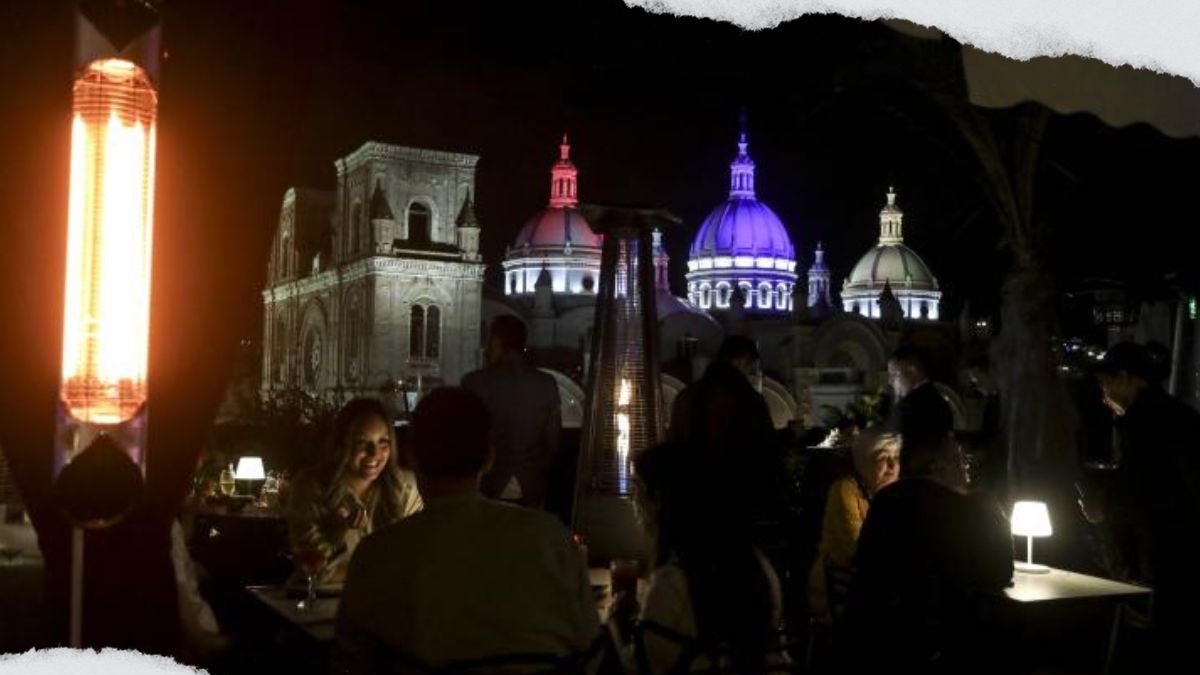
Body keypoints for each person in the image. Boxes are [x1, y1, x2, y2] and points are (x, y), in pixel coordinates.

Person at [335, 387, 599, 674]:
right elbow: (590, 649)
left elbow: (350, 658)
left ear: (410, 456)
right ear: (489, 458)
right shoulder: (552, 539)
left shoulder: (377, 555)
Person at [607, 442, 787, 674]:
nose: (632, 500)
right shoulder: (757, 564)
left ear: (659, 499)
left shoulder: (673, 582)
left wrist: (615, 624)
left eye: (637, 487)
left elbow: (642, 665)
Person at [846, 428, 1013, 673]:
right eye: (958, 458)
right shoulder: (976, 507)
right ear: (937, 465)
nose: (966, 466)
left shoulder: (885, 500)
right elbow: (1000, 571)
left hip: (873, 640)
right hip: (948, 643)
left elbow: (863, 565)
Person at [1089, 341, 1200, 666]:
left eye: (1106, 383)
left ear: (1125, 378)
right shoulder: (1176, 415)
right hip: (1179, 546)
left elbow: (1142, 488)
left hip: (1169, 548)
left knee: (1166, 638)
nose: (1104, 394)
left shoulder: (1146, 422)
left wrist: (1102, 506)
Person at [285, 398, 422, 585]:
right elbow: (314, 573)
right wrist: (338, 533)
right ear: (342, 444)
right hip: (323, 605)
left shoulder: (406, 487)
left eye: (383, 442)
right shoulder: (310, 487)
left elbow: (415, 565)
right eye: (361, 443)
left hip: (390, 605)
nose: (374, 453)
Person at [668, 336, 786, 546]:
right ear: (740, 361)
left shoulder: (685, 397)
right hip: (734, 506)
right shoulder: (748, 400)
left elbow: (673, 448)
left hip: (689, 504)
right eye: (750, 367)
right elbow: (764, 452)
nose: (750, 374)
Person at [462, 315, 562, 508]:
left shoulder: (474, 382)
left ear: (496, 342)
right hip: (531, 486)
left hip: (487, 486)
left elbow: (465, 440)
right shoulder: (546, 383)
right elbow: (553, 442)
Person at [807, 429, 900, 624]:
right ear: (864, 463)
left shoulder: (890, 496)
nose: (893, 466)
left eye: (897, 458)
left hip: (878, 588)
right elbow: (857, 551)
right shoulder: (845, 490)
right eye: (883, 458)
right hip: (843, 594)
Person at [886, 344, 954, 447]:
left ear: (913, 370)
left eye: (894, 374)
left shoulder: (907, 407)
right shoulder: (941, 402)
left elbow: (890, 443)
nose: (890, 381)